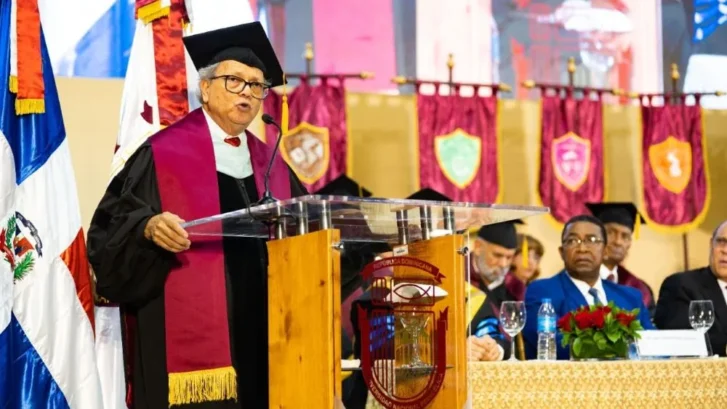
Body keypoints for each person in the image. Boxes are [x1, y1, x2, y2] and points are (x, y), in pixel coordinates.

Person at [87, 22, 308, 409]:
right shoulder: (163, 154)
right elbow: (108, 232)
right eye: (235, 81)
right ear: (205, 89)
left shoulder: (270, 163)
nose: (249, 94)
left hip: (265, 337)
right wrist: (147, 227)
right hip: (186, 342)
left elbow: (311, 234)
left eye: (257, 86)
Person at [522, 215, 654, 360]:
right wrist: (621, 347)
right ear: (562, 252)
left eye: (591, 240)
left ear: (605, 251)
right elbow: (554, 345)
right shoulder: (543, 291)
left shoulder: (631, 297)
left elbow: (653, 344)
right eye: (572, 241)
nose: (582, 248)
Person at [654, 221, 727, 357]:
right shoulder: (682, 285)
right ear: (711, 245)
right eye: (721, 242)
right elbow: (682, 341)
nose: (725, 250)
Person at [585, 202, 656, 316]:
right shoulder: (572, 281)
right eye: (611, 232)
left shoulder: (639, 289)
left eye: (625, 236)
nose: (618, 242)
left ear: (629, 244)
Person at [504, 233, 545, 302]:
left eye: (536, 258)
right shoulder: (499, 287)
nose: (531, 262)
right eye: (525, 255)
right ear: (512, 257)